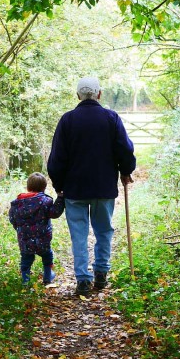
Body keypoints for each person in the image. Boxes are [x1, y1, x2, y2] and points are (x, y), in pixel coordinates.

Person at [47, 76, 136, 296]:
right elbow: (125, 149)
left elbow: (57, 158)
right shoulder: (111, 118)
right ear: (99, 94)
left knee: (79, 234)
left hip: (74, 189)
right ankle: (101, 274)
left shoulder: (67, 120)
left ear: (78, 95)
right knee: (104, 230)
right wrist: (126, 170)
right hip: (103, 188)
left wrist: (59, 185)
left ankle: (83, 280)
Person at [8, 172, 65, 285]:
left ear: (28, 187)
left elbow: (12, 219)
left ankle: (26, 281)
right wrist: (60, 199)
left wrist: (20, 230)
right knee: (47, 256)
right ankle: (48, 277)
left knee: (26, 260)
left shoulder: (17, 204)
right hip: (43, 238)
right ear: (44, 188)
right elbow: (55, 213)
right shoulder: (45, 202)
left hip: (24, 240)